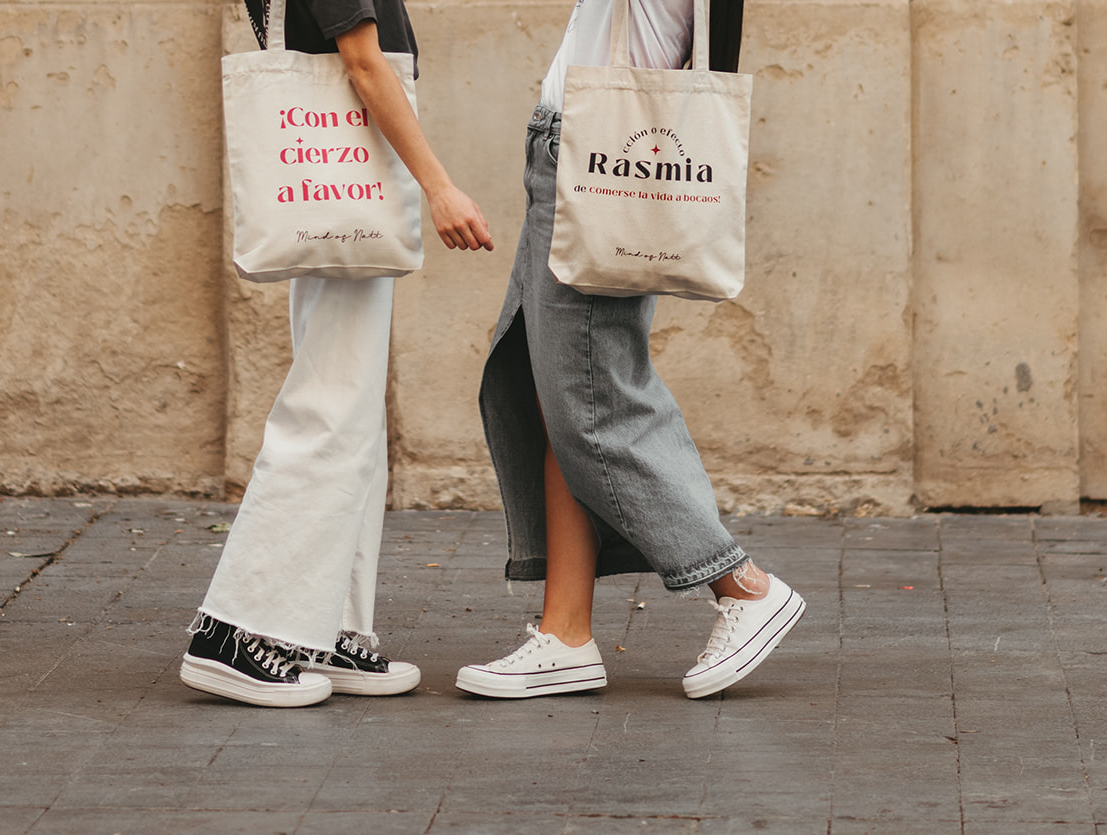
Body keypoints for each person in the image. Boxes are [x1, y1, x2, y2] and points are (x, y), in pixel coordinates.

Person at [456, 0, 804, 701]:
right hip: (577, 151)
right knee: (561, 394)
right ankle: (565, 634)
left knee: (591, 398)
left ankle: (740, 585)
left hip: (600, 156)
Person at [183, 0, 493, 708]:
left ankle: (318, 628)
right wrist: (438, 185)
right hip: (342, 180)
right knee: (328, 408)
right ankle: (236, 628)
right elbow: (360, 61)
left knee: (352, 418)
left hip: (340, 182)